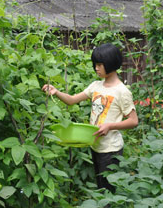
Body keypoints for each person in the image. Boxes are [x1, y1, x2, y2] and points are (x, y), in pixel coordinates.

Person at [42, 43, 138, 192]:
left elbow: (133, 121)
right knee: (101, 185)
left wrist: (110, 126)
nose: (96, 68)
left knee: (109, 188)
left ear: (111, 63)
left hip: (111, 148)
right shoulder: (95, 86)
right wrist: (56, 92)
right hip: (95, 145)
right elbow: (72, 100)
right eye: (95, 64)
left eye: (100, 65)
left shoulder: (122, 92)